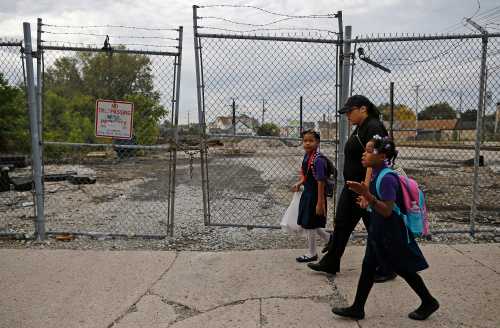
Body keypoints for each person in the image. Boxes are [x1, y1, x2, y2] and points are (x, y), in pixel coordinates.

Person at [332, 136, 439, 321]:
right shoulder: (376, 173)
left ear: (381, 156)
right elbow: (381, 206)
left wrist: (367, 195)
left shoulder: (387, 178)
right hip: (379, 230)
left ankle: (429, 301)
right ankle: (358, 308)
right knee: (368, 266)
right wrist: (368, 202)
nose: (363, 154)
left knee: (404, 268)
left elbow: (388, 211)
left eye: (368, 151)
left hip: (391, 232)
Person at [308, 95, 396, 282]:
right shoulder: (361, 127)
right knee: (342, 223)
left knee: (375, 228)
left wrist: (366, 191)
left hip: (364, 188)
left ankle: (387, 267)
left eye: (350, 111)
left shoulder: (373, 126)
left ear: (363, 108)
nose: (347, 115)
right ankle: (331, 262)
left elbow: (373, 158)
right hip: (353, 187)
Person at [292, 129, 331, 262]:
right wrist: (300, 183)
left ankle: (312, 253)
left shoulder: (318, 160)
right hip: (308, 193)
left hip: (315, 195)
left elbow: (320, 181)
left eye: (311, 141)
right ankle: (329, 239)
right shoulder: (307, 156)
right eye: (305, 141)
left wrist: (320, 202)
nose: (307, 143)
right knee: (309, 223)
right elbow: (307, 174)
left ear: (317, 142)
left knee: (310, 224)